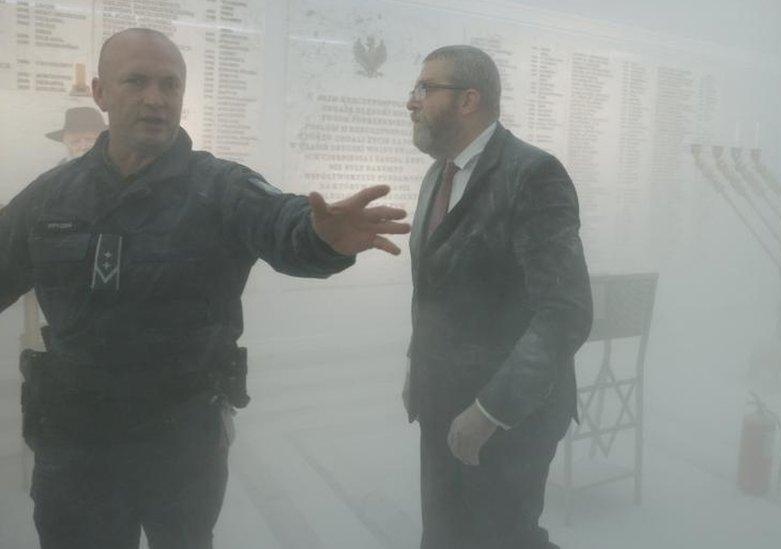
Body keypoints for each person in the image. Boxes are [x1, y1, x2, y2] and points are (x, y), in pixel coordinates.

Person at [0, 28, 409, 549]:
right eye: (137, 81)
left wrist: (322, 237)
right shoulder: (51, 196)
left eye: (170, 85)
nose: (156, 98)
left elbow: (282, 221)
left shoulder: (220, 187)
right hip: (75, 443)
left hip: (180, 442)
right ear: (100, 92)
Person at [402, 45, 592, 549]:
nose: (411, 101)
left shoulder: (532, 174)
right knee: (444, 538)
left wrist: (490, 411)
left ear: (468, 100)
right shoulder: (437, 175)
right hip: (441, 404)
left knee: (503, 539)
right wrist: (417, 373)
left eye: (425, 88)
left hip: (509, 418)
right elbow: (436, 292)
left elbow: (565, 312)